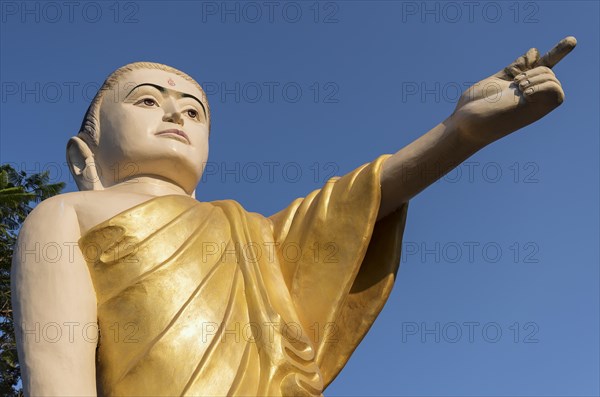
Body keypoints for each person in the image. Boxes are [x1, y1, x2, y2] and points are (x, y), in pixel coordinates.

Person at [11, 37, 576, 396]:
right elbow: (57, 373)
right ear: (83, 153)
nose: (176, 115)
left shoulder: (253, 236)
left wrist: (458, 132)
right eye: (147, 101)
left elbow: (357, 202)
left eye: (194, 111)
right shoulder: (68, 215)